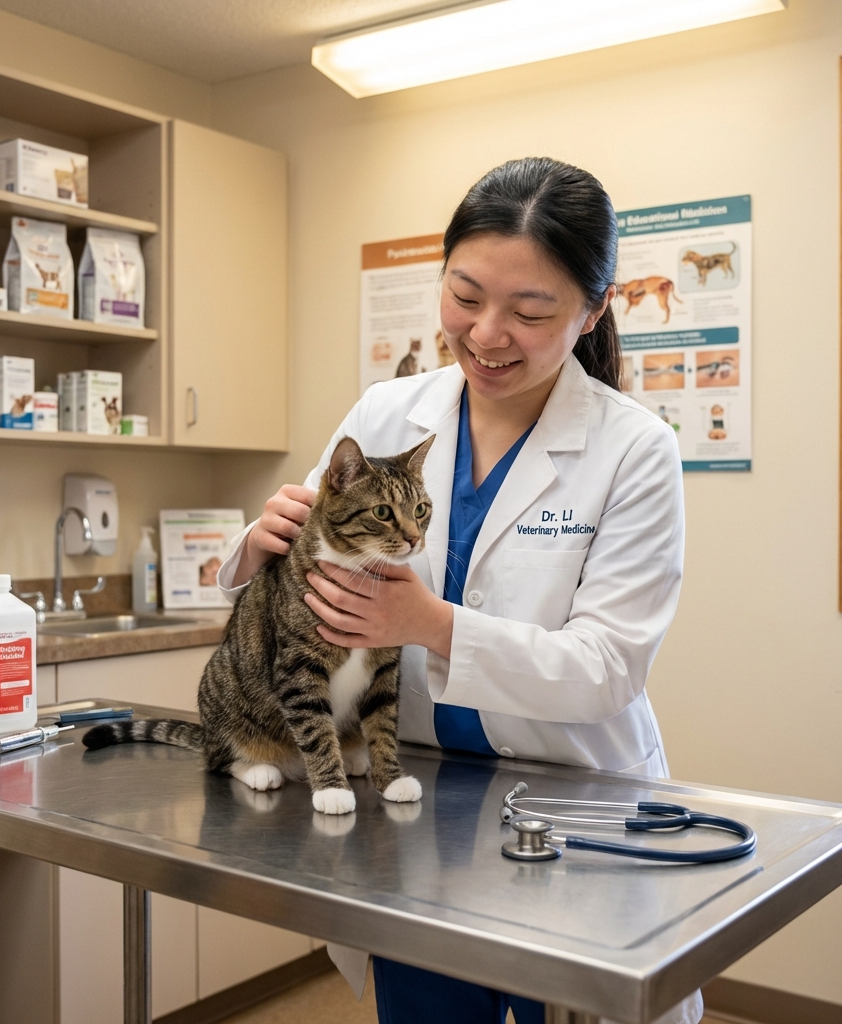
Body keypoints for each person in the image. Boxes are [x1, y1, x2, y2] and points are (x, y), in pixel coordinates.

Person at [218, 157, 700, 1024]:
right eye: (465, 296)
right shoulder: (388, 412)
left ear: (592, 311)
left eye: (530, 310)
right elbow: (303, 572)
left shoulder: (635, 449)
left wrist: (432, 624)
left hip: (572, 806)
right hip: (420, 812)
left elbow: (607, 668)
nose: (485, 334)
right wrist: (259, 543)